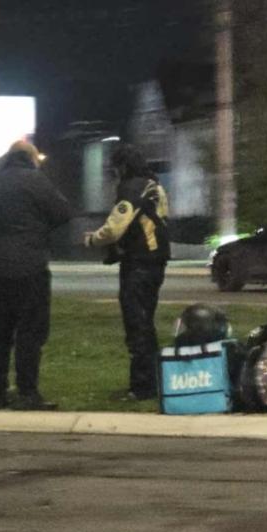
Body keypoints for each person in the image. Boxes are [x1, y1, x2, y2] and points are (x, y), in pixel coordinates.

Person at [0, 140, 72, 410]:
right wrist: (40, 226)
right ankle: (27, 393)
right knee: (30, 331)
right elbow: (63, 212)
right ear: (31, 158)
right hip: (30, 265)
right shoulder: (36, 181)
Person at [82, 144, 169, 400]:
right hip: (156, 261)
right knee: (146, 322)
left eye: (115, 168)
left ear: (122, 167)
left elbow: (115, 228)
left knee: (137, 325)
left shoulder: (131, 188)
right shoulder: (155, 185)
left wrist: (92, 240)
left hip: (139, 264)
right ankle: (152, 381)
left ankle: (141, 387)